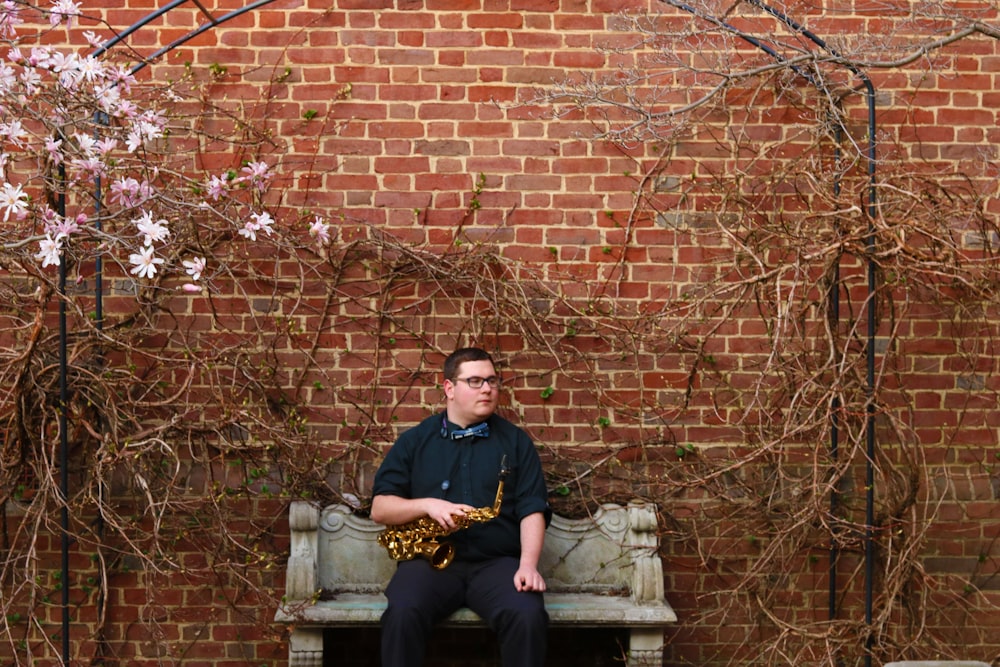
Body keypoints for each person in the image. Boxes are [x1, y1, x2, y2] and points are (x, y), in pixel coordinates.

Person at [370, 347, 551, 667]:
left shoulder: (516, 442)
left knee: (527, 614)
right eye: (476, 381)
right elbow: (380, 508)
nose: (487, 389)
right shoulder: (415, 441)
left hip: (497, 564)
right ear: (449, 389)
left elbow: (531, 508)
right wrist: (427, 505)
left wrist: (527, 565)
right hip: (430, 563)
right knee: (403, 612)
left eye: (493, 381)